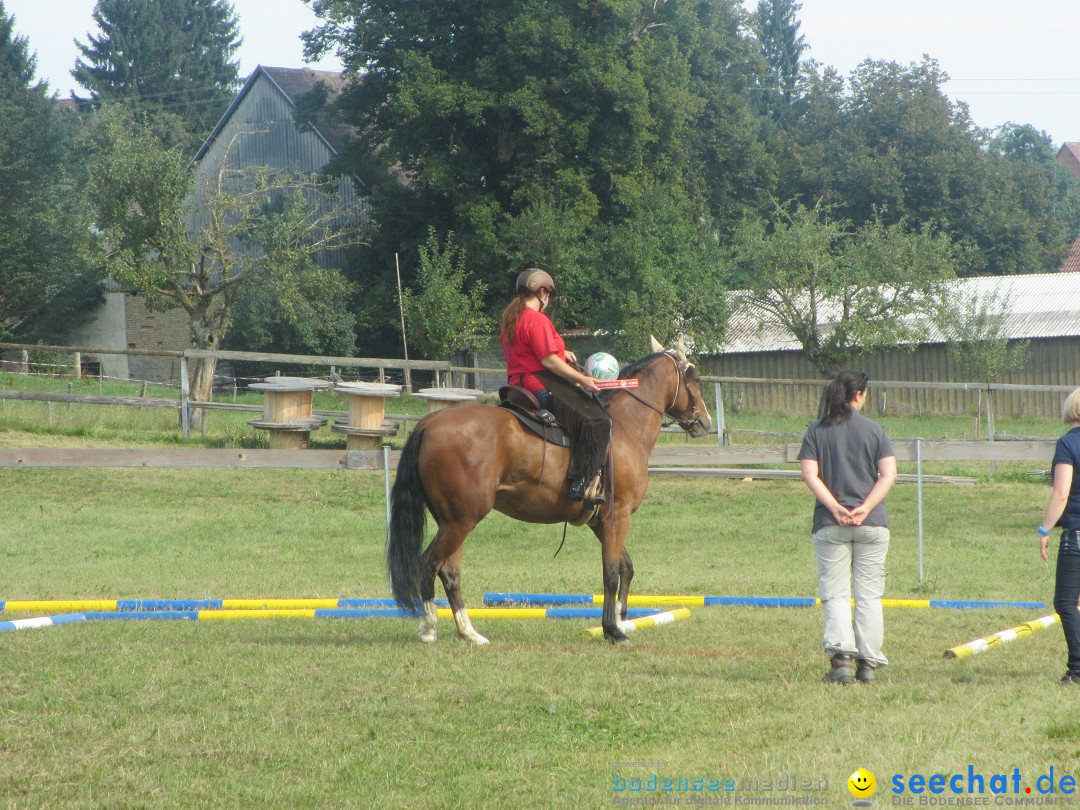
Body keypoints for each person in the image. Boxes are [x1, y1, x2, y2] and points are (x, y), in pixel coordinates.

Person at [797, 370, 897, 684]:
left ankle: (841, 661)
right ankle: (867, 664)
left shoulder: (816, 430)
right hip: (873, 525)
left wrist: (836, 507)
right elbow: (889, 474)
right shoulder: (875, 430)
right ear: (859, 394)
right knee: (869, 596)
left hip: (830, 524)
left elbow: (810, 474)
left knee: (836, 594)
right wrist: (865, 508)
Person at [500, 267, 609, 503]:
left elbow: (529, 351)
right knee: (599, 421)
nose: (547, 300)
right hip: (540, 384)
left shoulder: (512, 319)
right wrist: (583, 380)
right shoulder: (537, 319)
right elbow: (546, 360)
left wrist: (562, 352)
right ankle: (581, 482)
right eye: (547, 294)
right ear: (540, 292)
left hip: (515, 386)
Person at [1037, 387, 1080, 686]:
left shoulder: (1067, 444)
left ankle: (1077, 668)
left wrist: (1044, 528)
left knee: (1066, 602)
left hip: (1076, 533)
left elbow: (1061, 492)